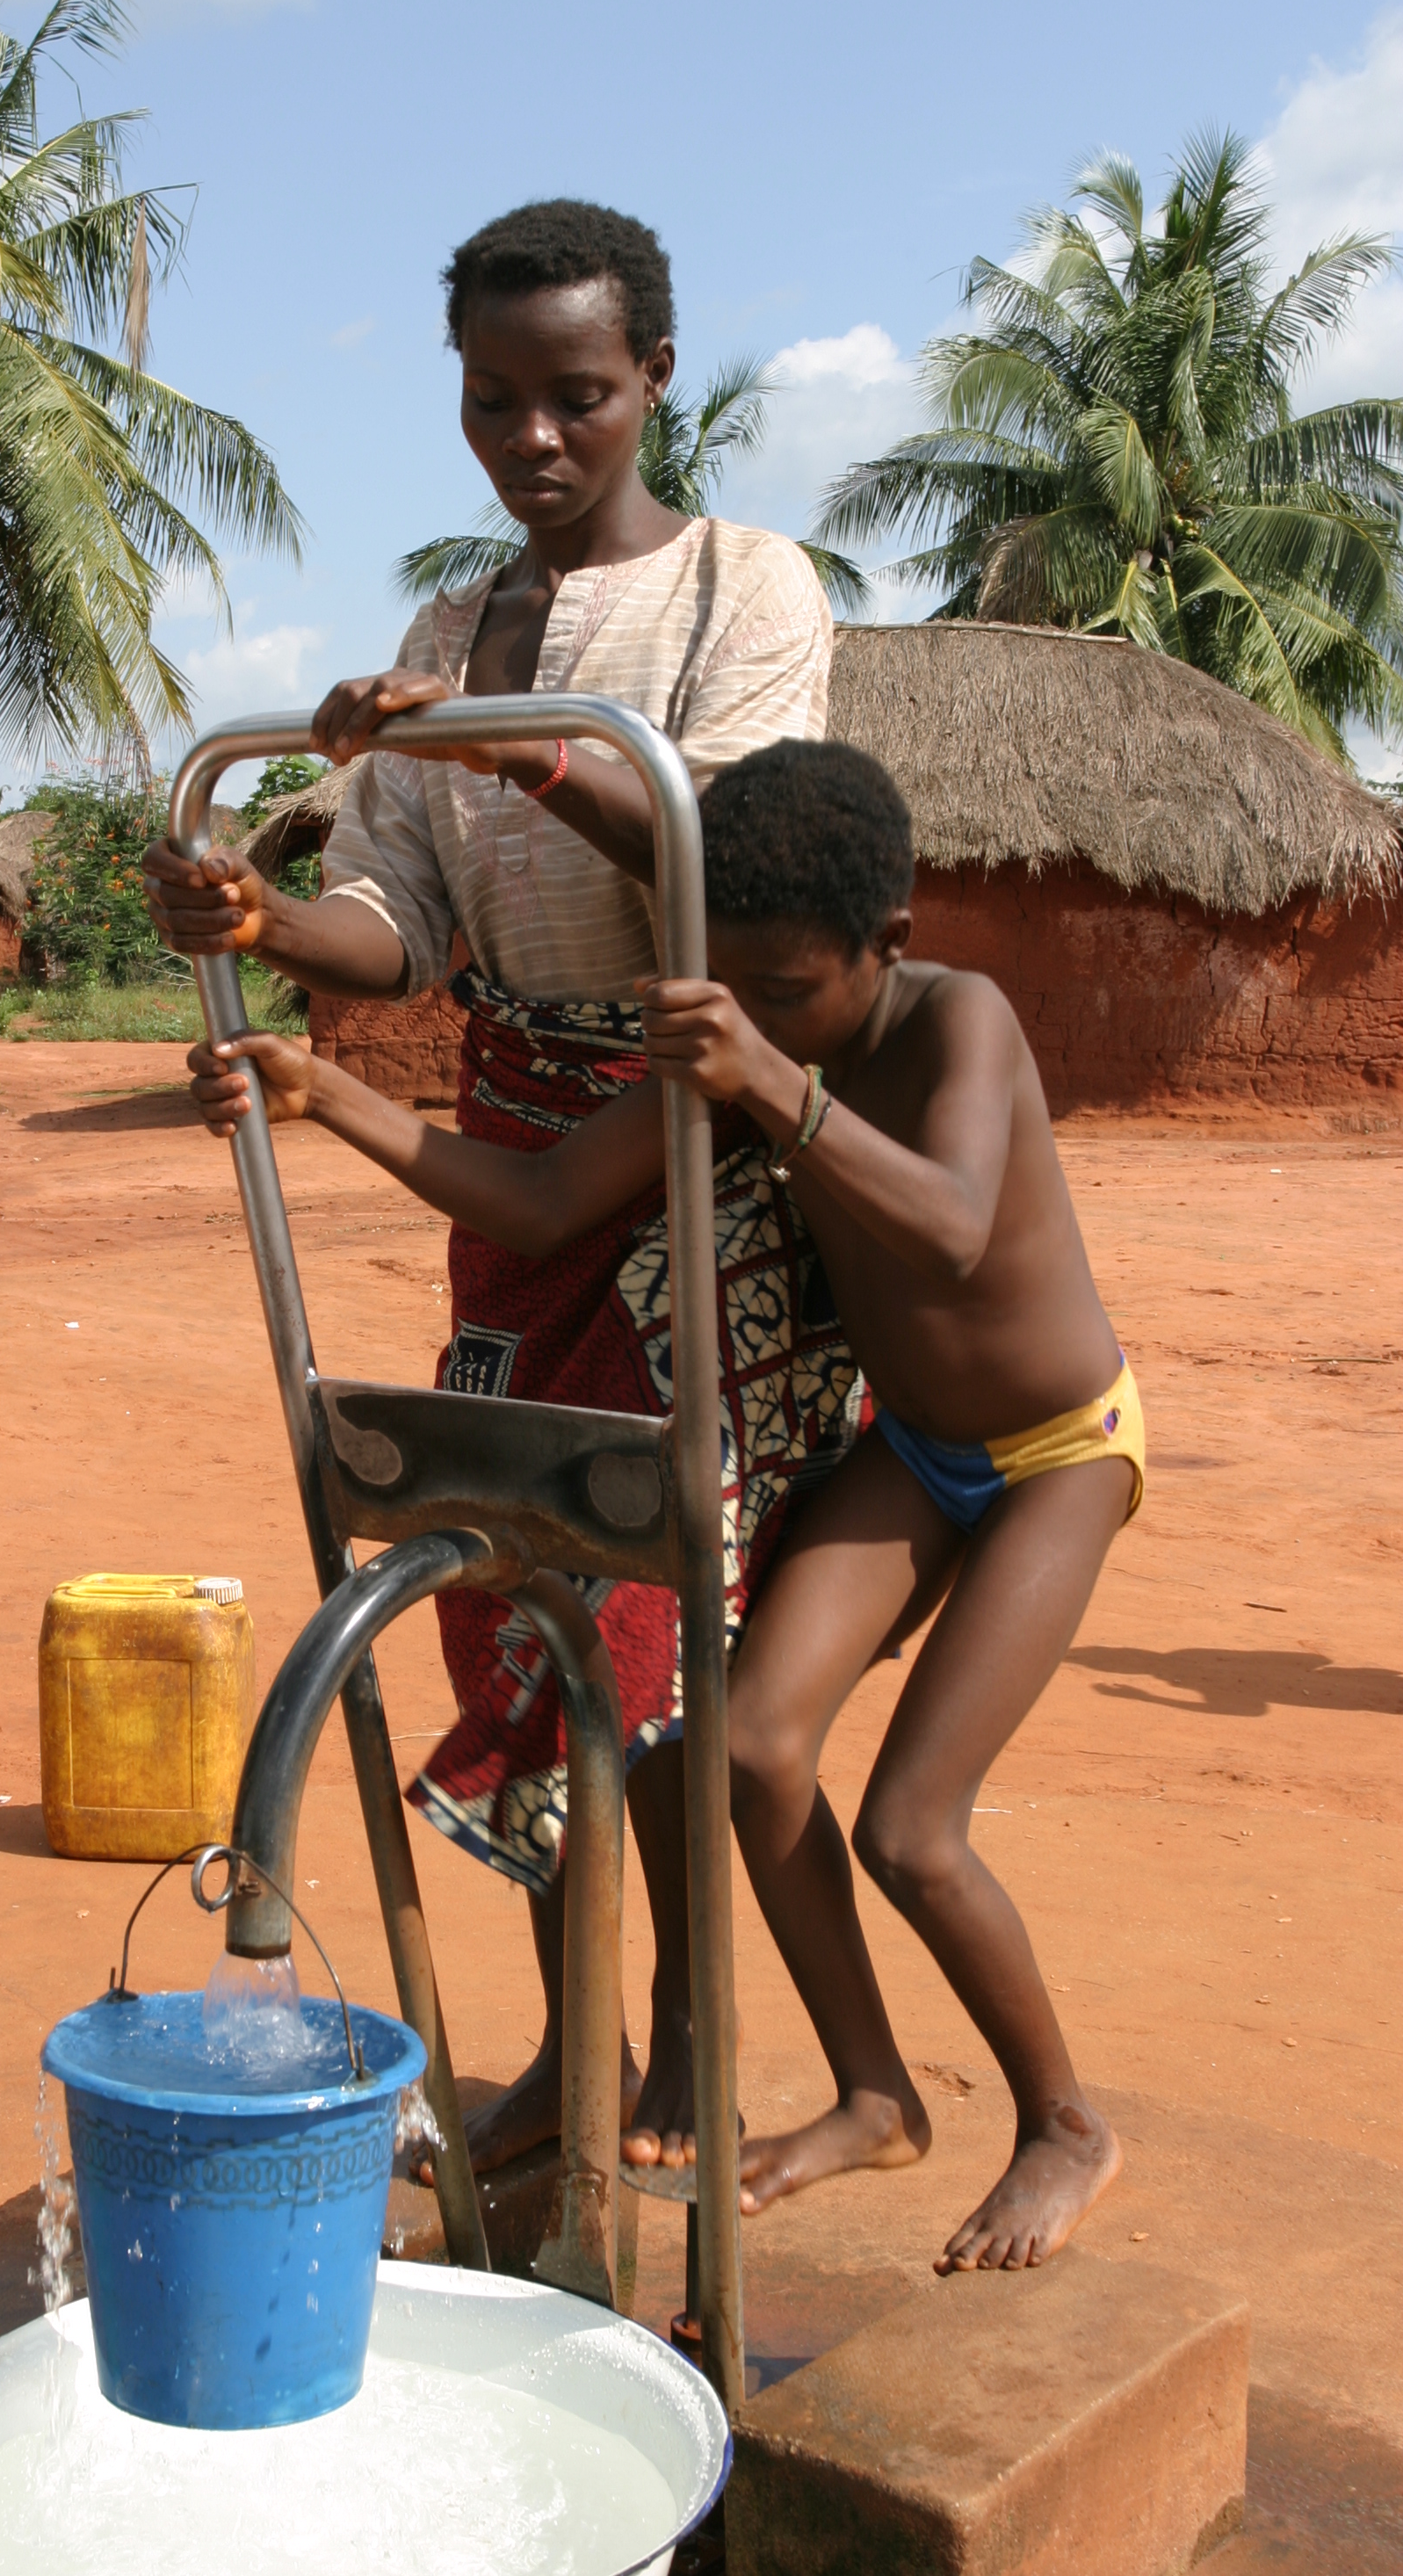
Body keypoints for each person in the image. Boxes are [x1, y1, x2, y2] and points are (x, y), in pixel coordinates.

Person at [190, 737, 1140, 2274]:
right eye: (730, 983)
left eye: (788, 986)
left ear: (884, 949)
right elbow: (550, 1192)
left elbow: (959, 1230)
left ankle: (1063, 2125)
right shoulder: (761, 1044)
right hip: (917, 1447)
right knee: (751, 1751)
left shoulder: (963, 1020)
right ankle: (877, 2094)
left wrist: (770, 1080)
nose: (755, 1013)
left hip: (1052, 1452)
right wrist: (326, 1093)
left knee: (911, 1828)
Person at [147, 200, 859, 2181]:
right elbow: (406, 930)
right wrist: (271, 912)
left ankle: (691, 2060)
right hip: (519, 1142)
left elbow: (726, 844)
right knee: (532, 1607)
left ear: (652, 386)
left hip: (693, 1141)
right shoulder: (448, 642)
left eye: (576, 396)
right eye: (494, 403)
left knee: (671, 1644)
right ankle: (583, 2042)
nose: (534, 439)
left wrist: (528, 755)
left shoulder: (740, 591)